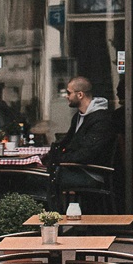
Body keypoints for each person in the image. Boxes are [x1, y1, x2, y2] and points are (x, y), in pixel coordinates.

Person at [43, 76, 120, 209]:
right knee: (42, 176)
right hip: (80, 170)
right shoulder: (79, 116)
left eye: (68, 93)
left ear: (80, 94)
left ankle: (51, 221)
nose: (66, 96)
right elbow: (67, 142)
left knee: (41, 180)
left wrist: (58, 159)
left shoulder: (101, 120)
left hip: (92, 174)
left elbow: (87, 153)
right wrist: (51, 155)